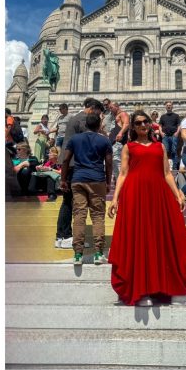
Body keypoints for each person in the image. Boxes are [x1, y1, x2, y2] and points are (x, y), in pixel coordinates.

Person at [108, 110, 186, 307]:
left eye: (146, 122)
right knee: (139, 241)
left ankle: (178, 292)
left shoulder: (160, 146)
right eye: (138, 123)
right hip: (135, 196)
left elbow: (167, 173)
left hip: (159, 195)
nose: (143, 125)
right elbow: (123, 174)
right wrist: (115, 198)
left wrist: (178, 193)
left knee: (170, 238)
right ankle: (141, 291)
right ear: (133, 127)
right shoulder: (129, 147)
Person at [61, 112, 113, 265]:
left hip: (78, 179)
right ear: (99, 125)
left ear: (85, 125)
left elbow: (65, 159)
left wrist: (63, 179)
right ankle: (98, 253)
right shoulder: (104, 141)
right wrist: (108, 182)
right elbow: (109, 163)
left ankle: (78, 255)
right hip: (97, 180)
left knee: (79, 216)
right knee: (97, 216)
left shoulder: (75, 139)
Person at [55, 98, 105, 250]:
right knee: (69, 201)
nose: (98, 115)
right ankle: (63, 236)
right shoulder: (83, 119)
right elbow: (91, 136)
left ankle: (63, 235)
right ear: (92, 108)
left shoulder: (75, 118)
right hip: (72, 164)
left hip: (70, 163)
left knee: (69, 201)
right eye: (98, 112)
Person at [107, 102, 130, 183]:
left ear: (116, 107)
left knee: (118, 163)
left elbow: (126, 124)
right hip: (113, 143)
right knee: (115, 164)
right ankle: (118, 181)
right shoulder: (114, 116)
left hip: (118, 143)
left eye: (111, 107)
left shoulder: (123, 114)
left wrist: (120, 133)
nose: (110, 109)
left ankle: (122, 182)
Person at [159, 101, 181, 170]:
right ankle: (165, 167)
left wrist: (177, 133)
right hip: (165, 137)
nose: (168, 106)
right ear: (165, 107)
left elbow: (179, 125)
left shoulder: (176, 116)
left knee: (174, 151)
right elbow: (160, 125)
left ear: (172, 106)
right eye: (167, 105)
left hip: (173, 136)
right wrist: (161, 133)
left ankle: (174, 167)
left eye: (170, 105)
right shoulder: (163, 116)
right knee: (165, 151)